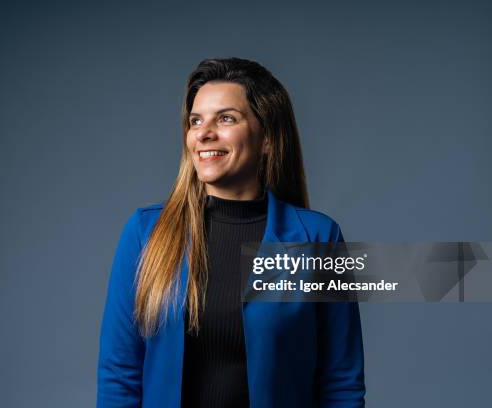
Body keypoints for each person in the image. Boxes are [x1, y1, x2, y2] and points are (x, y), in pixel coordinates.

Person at [97, 57, 365, 408]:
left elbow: (340, 382)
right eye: (196, 121)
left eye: (226, 118)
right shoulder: (146, 233)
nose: (204, 132)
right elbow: (119, 375)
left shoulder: (318, 239)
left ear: (267, 137)